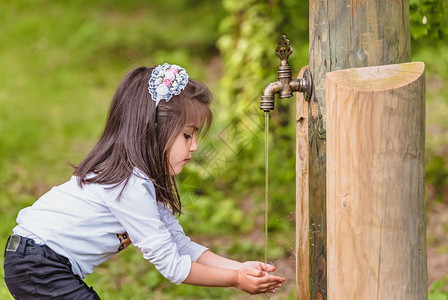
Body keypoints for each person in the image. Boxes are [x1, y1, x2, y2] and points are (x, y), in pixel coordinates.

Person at [3, 63, 285, 299]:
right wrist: (234, 279)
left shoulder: (141, 180)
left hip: (36, 261)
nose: (195, 146)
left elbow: (179, 244)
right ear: (155, 131)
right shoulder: (129, 184)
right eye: (188, 135)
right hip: (37, 263)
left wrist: (239, 268)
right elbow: (172, 265)